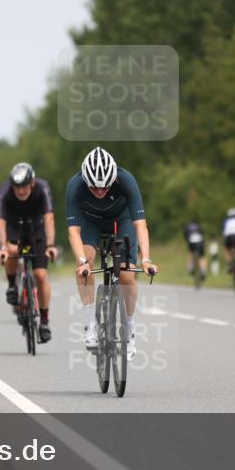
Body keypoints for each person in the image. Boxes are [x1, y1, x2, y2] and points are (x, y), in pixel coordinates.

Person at [66, 147, 158, 361]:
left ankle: (129, 330)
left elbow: (141, 226)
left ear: (113, 178)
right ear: (86, 181)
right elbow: (73, 232)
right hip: (90, 222)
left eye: (105, 186)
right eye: (94, 188)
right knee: (84, 266)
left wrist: (145, 259)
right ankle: (90, 324)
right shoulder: (75, 185)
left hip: (121, 220)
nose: (100, 191)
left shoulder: (126, 180)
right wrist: (82, 262)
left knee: (126, 275)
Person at [0, 162, 58, 343]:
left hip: (36, 228)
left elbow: (49, 218)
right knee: (11, 250)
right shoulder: (4, 191)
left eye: (24, 186)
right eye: (17, 187)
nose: (21, 191)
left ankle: (44, 321)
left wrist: (51, 245)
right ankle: (12, 285)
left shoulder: (42, 188)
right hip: (15, 227)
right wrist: (2, 248)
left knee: (41, 275)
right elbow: (0, 222)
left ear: (32, 183)